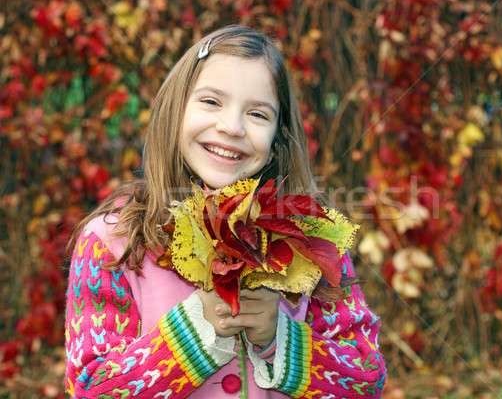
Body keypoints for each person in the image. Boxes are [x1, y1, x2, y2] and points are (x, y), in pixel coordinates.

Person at [65, 25, 386, 398]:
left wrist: (280, 339)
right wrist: (197, 329)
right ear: (176, 107)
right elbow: (90, 389)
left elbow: (366, 380)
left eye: (258, 114)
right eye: (211, 102)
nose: (231, 127)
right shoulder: (113, 241)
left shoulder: (312, 240)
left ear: (278, 138)